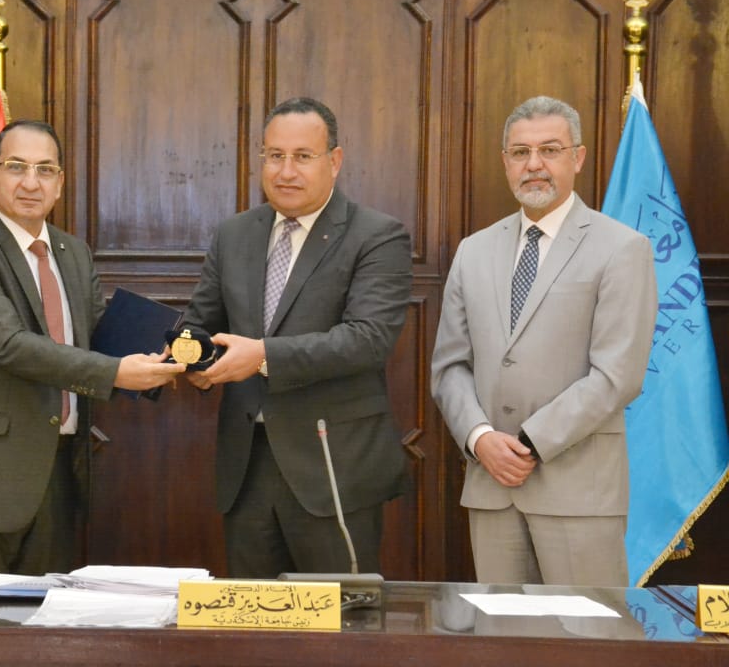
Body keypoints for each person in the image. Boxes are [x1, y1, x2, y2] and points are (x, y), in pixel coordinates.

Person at [0, 119, 185, 574]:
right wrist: (115, 372)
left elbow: (98, 337)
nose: (31, 182)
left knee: (44, 617)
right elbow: (10, 345)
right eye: (17, 167)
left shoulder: (72, 252)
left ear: (60, 183)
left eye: (45, 169)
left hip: (58, 475)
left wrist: (180, 356)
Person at [182, 97, 413, 578]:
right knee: (252, 616)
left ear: (335, 160)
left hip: (332, 468)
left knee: (340, 616)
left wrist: (261, 356)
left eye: (302, 156)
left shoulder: (377, 235)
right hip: (246, 467)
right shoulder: (234, 234)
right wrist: (187, 357)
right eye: (274, 156)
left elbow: (368, 339)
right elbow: (201, 322)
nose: (285, 171)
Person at [431, 95, 656, 586]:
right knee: (502, 629)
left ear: (577, 158)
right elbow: (450, 367)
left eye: (550, 150)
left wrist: (529, 443)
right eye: (520, 152)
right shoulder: (473, 251)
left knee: (589, 630)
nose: (534, 165)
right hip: (491, 486)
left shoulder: (622, 248)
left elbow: (617, 375)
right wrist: (480, 438)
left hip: (579, 493)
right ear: (505, 162)